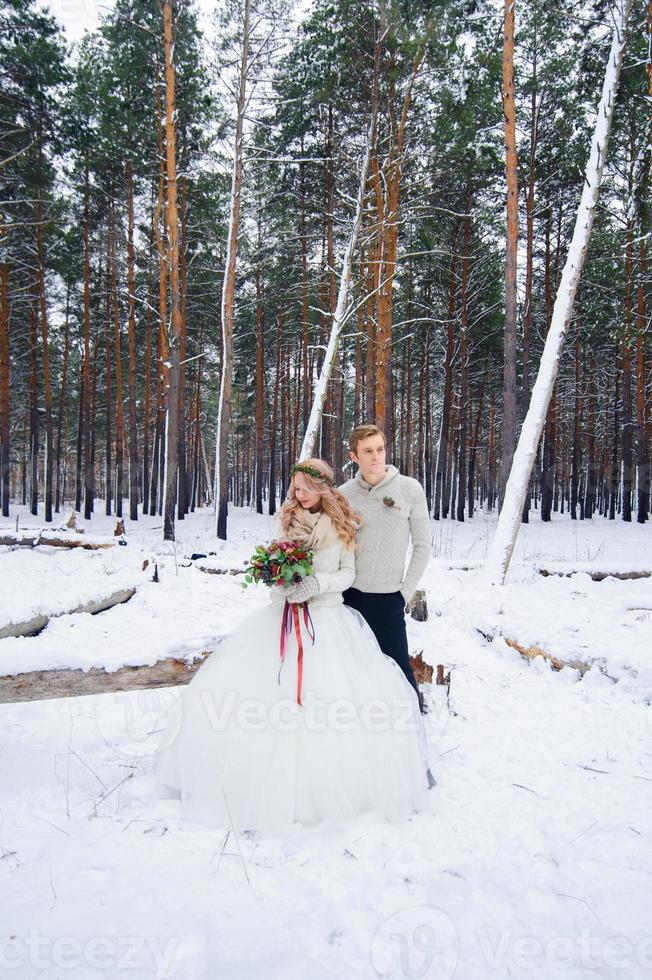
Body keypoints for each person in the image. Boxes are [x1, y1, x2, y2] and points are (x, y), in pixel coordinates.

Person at [154, 458, 431, 833]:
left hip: (328, 621)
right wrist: (281, 584)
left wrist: (317, 585)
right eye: (295, 487)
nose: (297, 494)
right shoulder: (286, 520)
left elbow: (347, 573)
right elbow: (275, 566)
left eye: (304, 488)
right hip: (282, 620)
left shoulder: (342, 523)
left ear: (322, 489)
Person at [339, 424, 431, 714]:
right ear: (354, 456)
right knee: (354, 663)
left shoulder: (408, 488)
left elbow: (423, 546)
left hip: (389, 597)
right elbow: (336, 543)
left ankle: (413, 722)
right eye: (368, 451)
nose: (376, 456)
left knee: (398, 666)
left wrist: (403, 594)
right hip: (350, 596)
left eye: (380, 449)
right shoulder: (343, 495)